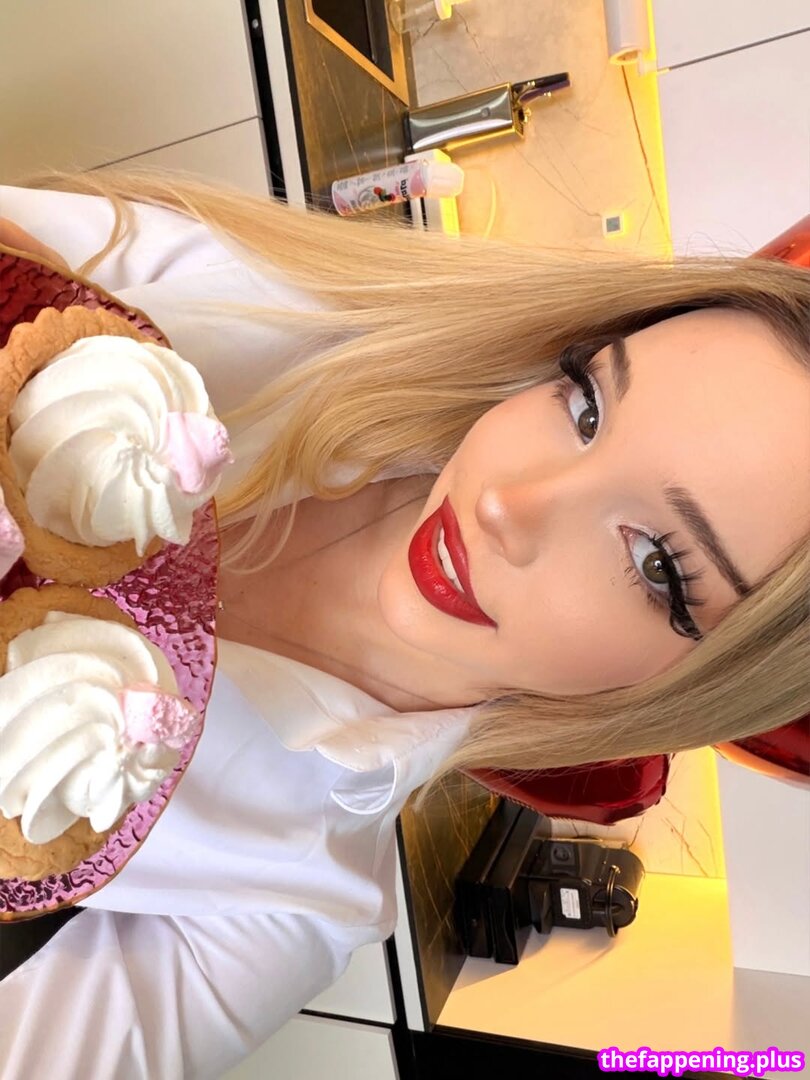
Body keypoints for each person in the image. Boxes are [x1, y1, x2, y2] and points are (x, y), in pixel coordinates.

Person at [0, 168, 808, 1079]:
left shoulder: (293, 902)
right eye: (586, 404)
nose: (508, 504)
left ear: (691, 688)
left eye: (658, 562)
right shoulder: (259, 305)